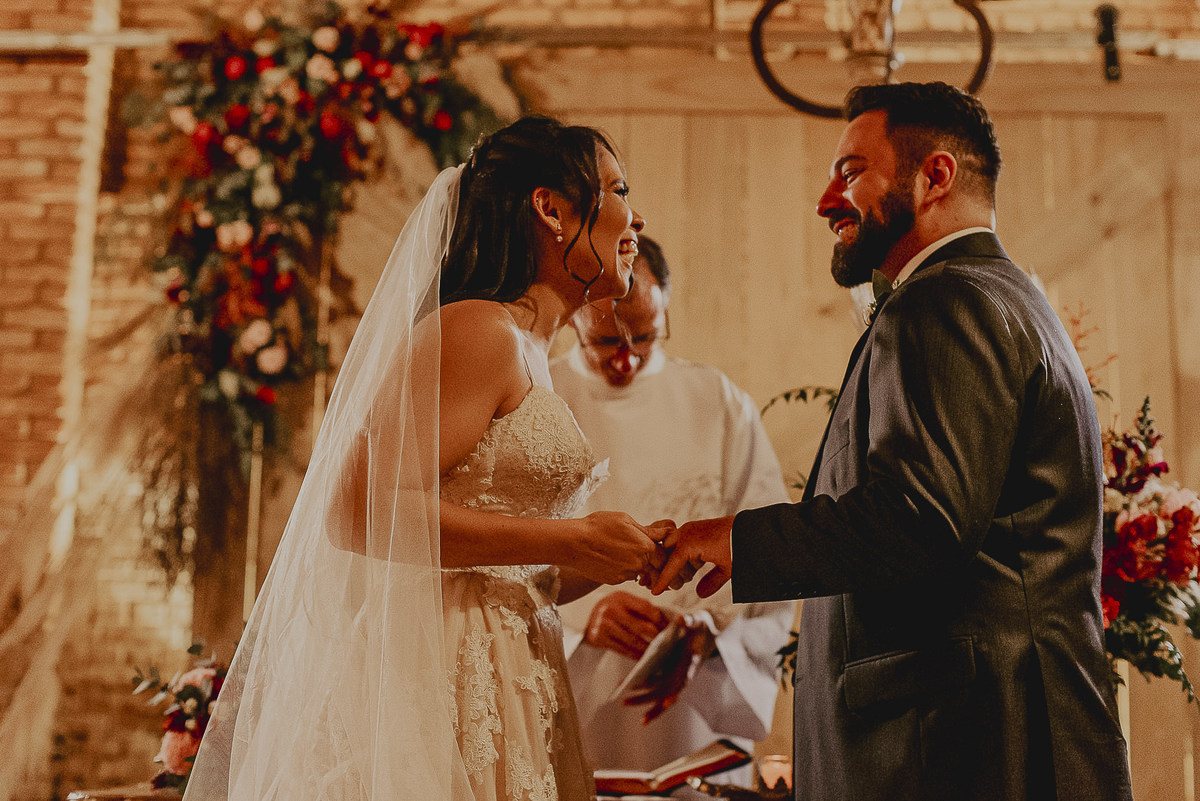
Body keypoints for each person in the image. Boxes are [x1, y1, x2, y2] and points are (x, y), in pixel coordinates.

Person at [652, 82, 1134, 800]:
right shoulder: (1006, 298)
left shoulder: (946, 300)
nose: (825, 200)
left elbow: (921, 517)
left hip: (961, 749)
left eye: (849, 172)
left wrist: (736, 539)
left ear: (934, 176)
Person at [184, 116, 669, 801]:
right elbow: (359, 507)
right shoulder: (479, 328)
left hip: (513, 671)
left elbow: (507, 561)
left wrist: (621, 553)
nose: (635, 215)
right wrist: (574, 535)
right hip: (442, 670)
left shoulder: (532, 349)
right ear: (551, 209)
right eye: (617, 188)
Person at [551, 237, 794, 782]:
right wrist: (577, 623)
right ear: (573, 321)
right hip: (573, 692)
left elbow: (767, 547)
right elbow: (499, 556)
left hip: (693, 701)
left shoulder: (719, 402)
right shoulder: (540, 396)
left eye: (645, 337)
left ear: (666, 313)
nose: (625, 357)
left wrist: (706, 629)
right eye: (606, 339)